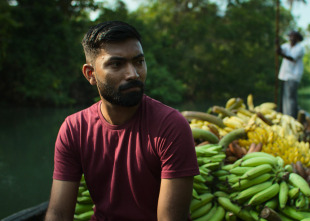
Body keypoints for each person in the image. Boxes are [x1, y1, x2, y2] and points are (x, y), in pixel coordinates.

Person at [45, 21, 200, 221]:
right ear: (90, 74)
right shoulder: (74, 129)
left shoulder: (171, 126)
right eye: (117, 64)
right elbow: (58, 213)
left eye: (138, 61)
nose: (133, 74)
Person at [276, 30, 305, 118]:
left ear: (297, 38)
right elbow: (279, 50)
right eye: (290, 37)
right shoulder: (286, 46)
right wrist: (277, 44)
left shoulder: (299, 48)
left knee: (290, 98)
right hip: (284, 75)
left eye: (294, 37)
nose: (292, 38)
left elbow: (292, 58)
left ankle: (291, 117)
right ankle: (283, 115)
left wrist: (281, 54)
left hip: (293, 76)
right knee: (284, 98)